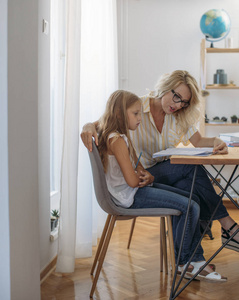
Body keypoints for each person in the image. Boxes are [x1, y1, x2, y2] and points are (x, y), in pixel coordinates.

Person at [81, 70, 239, 253]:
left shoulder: (180, 115)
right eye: (177, 97)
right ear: (166, 87)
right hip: (140, 175)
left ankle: (188, 257)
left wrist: (217, 141)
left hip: (161, 174)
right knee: (189, 170)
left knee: (189, 183)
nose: (178, 105)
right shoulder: (136, 106)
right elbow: (104, 121)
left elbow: (199, 141)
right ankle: (226, 227)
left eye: (184, 102)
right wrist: (87, 126)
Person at [90, 89, 226, 282]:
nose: (139, 118)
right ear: (120, 114)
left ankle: (188, 261)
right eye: (135, 114)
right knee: (190, 205)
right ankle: (186, 262)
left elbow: (136, 168)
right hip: (130, 196)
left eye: (139, 113)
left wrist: (145, 175)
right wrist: (147, 178)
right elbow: (132, 180)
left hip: (132, 191)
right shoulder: (117, 140)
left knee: (192, 198)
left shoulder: (121, 136)